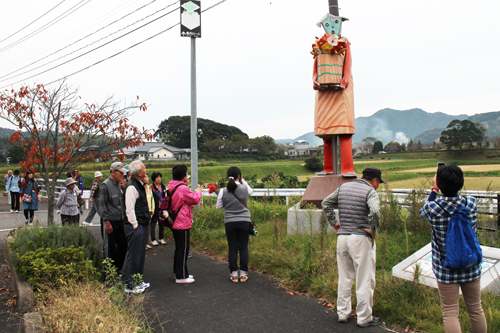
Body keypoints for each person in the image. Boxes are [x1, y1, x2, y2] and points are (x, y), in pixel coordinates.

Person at [419, 165, 487, 333]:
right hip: (470, 263)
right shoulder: (471, 203)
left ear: (439, 184)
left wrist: (434, 189)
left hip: (445, 267)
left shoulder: (432, 209)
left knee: (450, 312)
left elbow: (423, 210)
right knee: (476, 309)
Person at [322, 167, 384, 328]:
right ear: (375, 180)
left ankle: (343, 313)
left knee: (345, 277)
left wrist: (334, 222)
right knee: (364, 278)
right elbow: (376, 211)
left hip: (342, 238)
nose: (378, 186)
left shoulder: (344, 187)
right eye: (379, 183)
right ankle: (364, 317)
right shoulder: (370, 191)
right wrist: (374, 231)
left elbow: (326, 202)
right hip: (360, 238)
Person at [216, 166, 254, 283]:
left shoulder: (223, 190)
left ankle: (233, 274)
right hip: (244, 221)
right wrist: (243, 180)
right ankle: (243, 273)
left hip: (230, 222)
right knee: (243, 248)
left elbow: (218, 207)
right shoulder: (244, 188)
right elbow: (251, 192)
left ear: (228, 176)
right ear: (239, 176)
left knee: (232, 248)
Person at [168, 164, 203, 284]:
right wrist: (198, 192)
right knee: (183, 249)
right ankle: (181, 276)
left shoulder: (172, 186)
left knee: (179, 248)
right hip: (181, 222)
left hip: (176, 221)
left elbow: (183, 201)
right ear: (183, 176)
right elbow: (194, 199)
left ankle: (179, 272)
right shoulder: (182, 188)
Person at [124, 161, 151, 293]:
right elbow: (129, 209)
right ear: (139, 173)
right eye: (144, 168)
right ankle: (131, 284)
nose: (146, 169)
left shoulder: (139, 184)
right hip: (136, 225)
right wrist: (135, 225)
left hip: (141, 223)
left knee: (140, 254)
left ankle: (138, 280)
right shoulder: (131, 187)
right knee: (134, 255)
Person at [99, 162, 128, 273]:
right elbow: (103, 206)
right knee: (109, 247)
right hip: (110, 220)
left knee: (123, 244)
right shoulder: (105, 186)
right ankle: (108, 271)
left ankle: (117, 268)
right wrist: (106, 222)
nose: (122, 176)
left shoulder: (118, 184)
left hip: (120, 220)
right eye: (120, 173)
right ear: (113, 172)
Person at [150, 172, 167, 246]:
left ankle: (161, 238)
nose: (159, 179)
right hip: (154, 207)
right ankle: (153, 239)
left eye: (160, 177)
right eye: (157, 177)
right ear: (154, 178)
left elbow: (165, 196)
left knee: (161, 223)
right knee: (153, 223)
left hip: (162, 207)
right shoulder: (151, 187)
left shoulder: (163, 186)